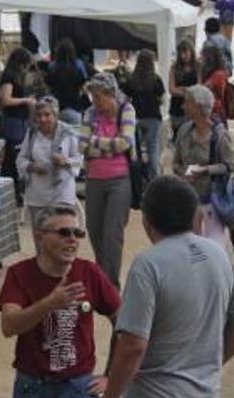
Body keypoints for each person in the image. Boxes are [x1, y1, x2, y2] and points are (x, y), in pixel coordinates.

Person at [101, 176, 234, 398]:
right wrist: (209, 366)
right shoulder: (219, 254)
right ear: (195, 216)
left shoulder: (148, 265)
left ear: (147, 220)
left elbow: (133, 346)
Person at [0, 206, 122, 398]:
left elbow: (124, 323)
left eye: (78, 233)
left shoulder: (90, 272)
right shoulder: (19, 273)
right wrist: (49, 304)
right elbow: (9, 326)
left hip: (79, 387)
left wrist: (111, 376)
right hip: (32, 386)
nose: (72, 239)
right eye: (64, 232)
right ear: (40, 237)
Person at [79, 73, 136, 288]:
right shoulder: (90, 113)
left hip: (119, 180)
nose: (95, 102)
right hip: (94, 179)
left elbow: (125, 143)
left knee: (113, 233)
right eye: (93, 97)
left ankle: (109, 284)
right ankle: (102, 277)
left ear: (110, 94)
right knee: (94, 230)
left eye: (98, 97)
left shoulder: (127, 110)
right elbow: (81, 146)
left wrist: (95, 142)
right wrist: (109, 144)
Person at [172, 85, 234, 246]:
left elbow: (230, 166)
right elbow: (176, 163)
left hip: (213, 203)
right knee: (192, 250)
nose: (183, 106)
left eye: (187, 102)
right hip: (189, 202)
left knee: (215, 250)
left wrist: (205, 170)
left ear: (199, 106)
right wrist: (184, 172)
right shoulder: (184, 131)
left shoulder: (220, 135)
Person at [17, 96, 84, 235]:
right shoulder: (31, 134)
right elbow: (21, 159)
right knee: (40, 237)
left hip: (62, 193)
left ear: (55, 115)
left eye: (47, 115)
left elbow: (79, 159)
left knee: (62, 236)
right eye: (39, 115)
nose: (43, 119)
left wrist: (64, 162)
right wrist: (32, 167)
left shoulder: (68, 134)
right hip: (37, 193)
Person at [120, 50, 165, 182]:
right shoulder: (156, 79)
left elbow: (125, 99)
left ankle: (138, 180)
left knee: (136, 152)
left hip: (136, 118)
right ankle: (154, 180)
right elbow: (162, 99)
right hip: (153, 118)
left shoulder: (131, 79)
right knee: (153, 150)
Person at [0, 48, 38, 204]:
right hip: (13, 120)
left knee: (15, 156)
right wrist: (26, 101)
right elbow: (6, 100)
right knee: (12, 157)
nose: (26, 69)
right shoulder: (9, 77)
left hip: (20, 120)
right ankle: (11, 193)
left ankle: (13, 192)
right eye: (25, 66)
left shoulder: (18, 77)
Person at [47, 38, 89, 126]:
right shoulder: (79, 65)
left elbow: (49, 87)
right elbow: (85, 87)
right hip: (75, 108)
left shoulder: (52, 67)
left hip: (57, 109)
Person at [168, 40, 200, 139]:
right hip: (177, 109)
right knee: (178, 139)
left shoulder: (198, 66)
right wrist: (189, 90)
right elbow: (171, 89)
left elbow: (199, 88)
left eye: (185, 52)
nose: (183, 56)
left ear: (191, 51)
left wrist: (182, 89)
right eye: (181, 53)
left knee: (192, 139)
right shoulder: (174, 67)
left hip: (193, 108)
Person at [199, 45, 230, 124]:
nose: (200, 58)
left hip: (215, 111)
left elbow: (203, 89)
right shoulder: (211, 73)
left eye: (202, 56)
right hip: (210, 109)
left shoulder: (218, 75)